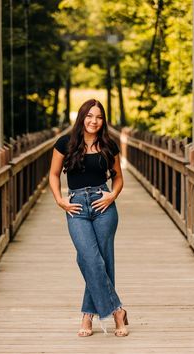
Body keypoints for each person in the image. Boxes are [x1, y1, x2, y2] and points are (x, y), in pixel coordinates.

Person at [49, 98, 129, 337]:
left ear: (103, 120)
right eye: (89, 116)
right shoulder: (65, 143)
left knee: (103, 260)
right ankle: (117, 311)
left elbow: (118, 178)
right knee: (89, 260)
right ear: (82, 117)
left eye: (99, 117)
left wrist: (111, 196)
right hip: (76, 207)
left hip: (103, 204)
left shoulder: (109, 145)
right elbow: (53, 175)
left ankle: (87, 316)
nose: (94, 121)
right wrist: (59, 200)